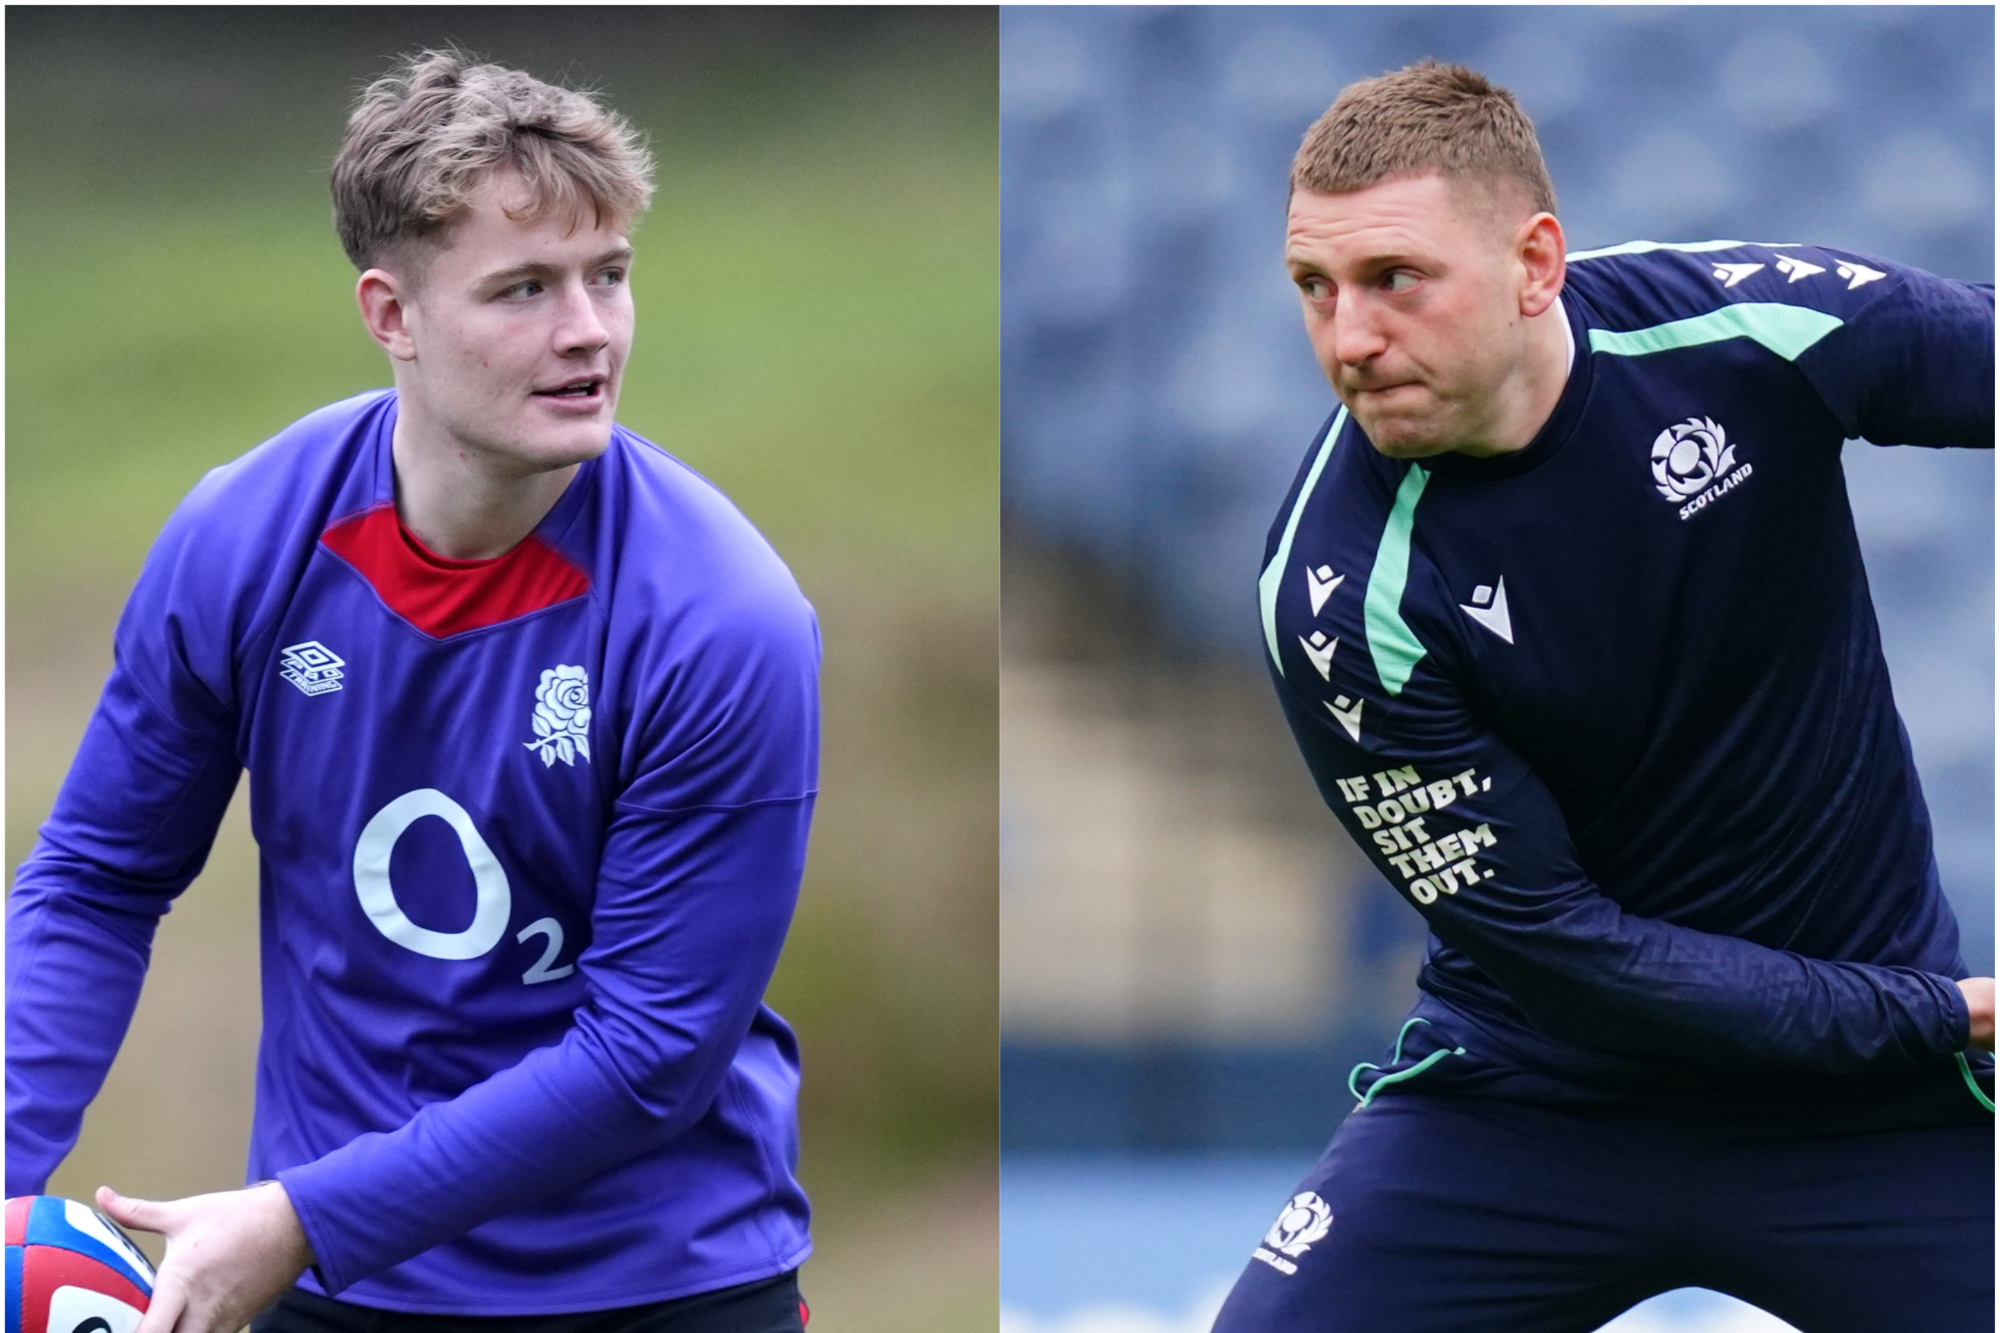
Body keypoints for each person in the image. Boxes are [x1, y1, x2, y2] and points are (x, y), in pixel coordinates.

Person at [6, 50, 818, 1333]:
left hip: (653, 1290)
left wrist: (298, 1219)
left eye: (609, 275)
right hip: (338, 1288)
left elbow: (647, 1056)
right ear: (391, 315)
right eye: (524, 289)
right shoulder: (245, 538)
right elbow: (100, 878)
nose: (588, 332)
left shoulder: (723, 620)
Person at [1221, 60, 1995, 1333]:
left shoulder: (1737, 325)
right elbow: (1574, 956)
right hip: (1534, 1100)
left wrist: (1916, 1028)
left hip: (1872, 1116)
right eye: (1313, 289)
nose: (1347, 341)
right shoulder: (1336, 591)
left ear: (1535, 263)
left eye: (1392, 281)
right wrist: (1940, 1013)